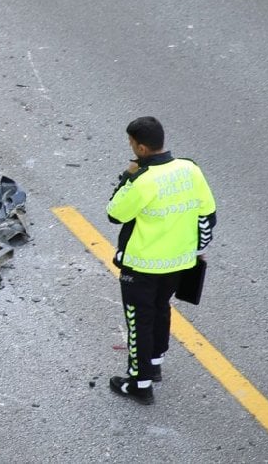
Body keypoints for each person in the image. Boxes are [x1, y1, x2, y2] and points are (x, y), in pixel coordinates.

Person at [106, 116, 216, 405]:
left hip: (142, 267)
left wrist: (127, 176)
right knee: (160, 308)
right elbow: (207, 216)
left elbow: (115, 213)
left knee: (138, 321)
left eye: (131, 144)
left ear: (141, 148)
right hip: (179, 263)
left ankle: (139, 383)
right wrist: (198, 250)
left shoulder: (143, 181)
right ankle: (154, 363)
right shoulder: (190, 169)